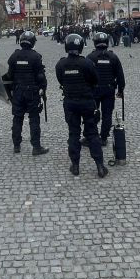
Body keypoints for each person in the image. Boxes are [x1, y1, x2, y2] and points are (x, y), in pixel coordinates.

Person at [56, 33, 108, 178]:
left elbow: (61, 80)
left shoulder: (60, 64)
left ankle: (75, 165)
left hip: (70, 102)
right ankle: (100, 166)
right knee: (92, 133)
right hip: (87, 102)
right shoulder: (87, 63)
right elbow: (95, 80)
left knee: (73, 133)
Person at [6, 30, 49, 155]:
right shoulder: (36, 56)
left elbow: (9, 75)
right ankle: (36, 147)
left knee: (17, 117)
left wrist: (10, 92)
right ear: (32, 42)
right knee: (34, 118)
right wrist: (43, 88)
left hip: (18, 91)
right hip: (32, 92)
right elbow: (40, 76)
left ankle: (16, 145)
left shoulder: (14, 56)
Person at [86, 31, 125, 147]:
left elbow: (86, 75)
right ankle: (103, 138)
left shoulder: (90, 57)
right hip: (109, 89)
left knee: (92, 113)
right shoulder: (113, 57)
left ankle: (91, 137)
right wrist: (120, 89)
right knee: (107, 114)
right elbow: (120, 75)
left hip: (94, 90)